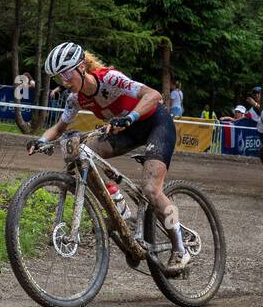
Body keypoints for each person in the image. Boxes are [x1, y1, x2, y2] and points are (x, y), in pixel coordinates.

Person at [27, 42, 191, 275]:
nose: (63, 81)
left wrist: (131, 116)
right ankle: (119, 205)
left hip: (155, 123)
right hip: (123, 130)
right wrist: (41, 141)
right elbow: (60, 127)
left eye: (66, 73)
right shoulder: (75, 99)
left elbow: (153, 95)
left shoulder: (110, 79)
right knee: (82, 152)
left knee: (151, 189)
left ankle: (180, 248)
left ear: (82, 67)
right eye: (57, 78)